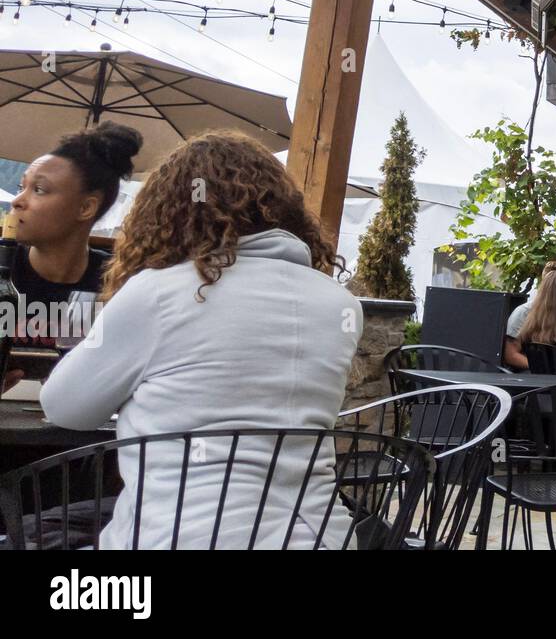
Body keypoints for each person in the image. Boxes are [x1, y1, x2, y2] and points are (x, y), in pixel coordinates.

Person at [39, 131, 364, 550]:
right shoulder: (340, 304)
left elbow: (63, 406)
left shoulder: (158, 292)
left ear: (168, 213)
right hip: (322, 539)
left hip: (181, 538)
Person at [2, 122, 142, 393]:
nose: (18, 200)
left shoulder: (119, 284)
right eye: (22, 187)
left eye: (39, 190)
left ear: (86, 207)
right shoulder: (3, 268)